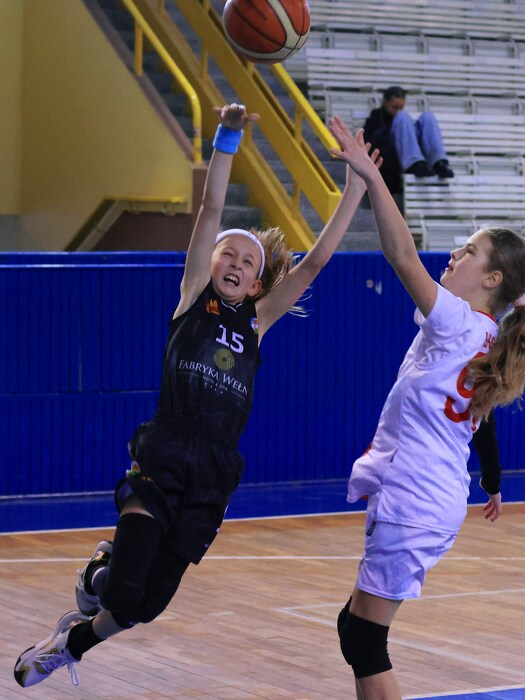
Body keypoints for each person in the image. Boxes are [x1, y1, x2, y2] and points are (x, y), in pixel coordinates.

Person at [13, 104, 379, 689]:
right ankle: (101, 572)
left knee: (147, 605)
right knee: (124, 592)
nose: (235, 262)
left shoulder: (257, 321)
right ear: (209, 264)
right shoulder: (192, 298)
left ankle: (70, 643)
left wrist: (356, 187)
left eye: (247, 261)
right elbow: (210, 209)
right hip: (166, 448)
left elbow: (315, 263)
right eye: (227, 254)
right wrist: (227, 137)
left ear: (257, 282)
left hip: (213, 469)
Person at [328, 115, 525, 700]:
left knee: (364, 641)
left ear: (492, 279)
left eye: (469, 250)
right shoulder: (483, 333)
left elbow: (402, 254)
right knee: (356, 630)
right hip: (426, 496)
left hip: (416, 498)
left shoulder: (460, 322)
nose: (454, 254)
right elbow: (485, 425)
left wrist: (373, 178)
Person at [363, 86, 454, 210]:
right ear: (384, 103)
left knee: (427, 117)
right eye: (394, 107)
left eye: (401, 108)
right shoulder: (376, 119)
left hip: (409, 156)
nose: (398, 111)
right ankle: (414, 164)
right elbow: (371, 143)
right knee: (402, 117)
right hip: (392, 162)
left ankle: (439, 162)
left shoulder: (403, 120)